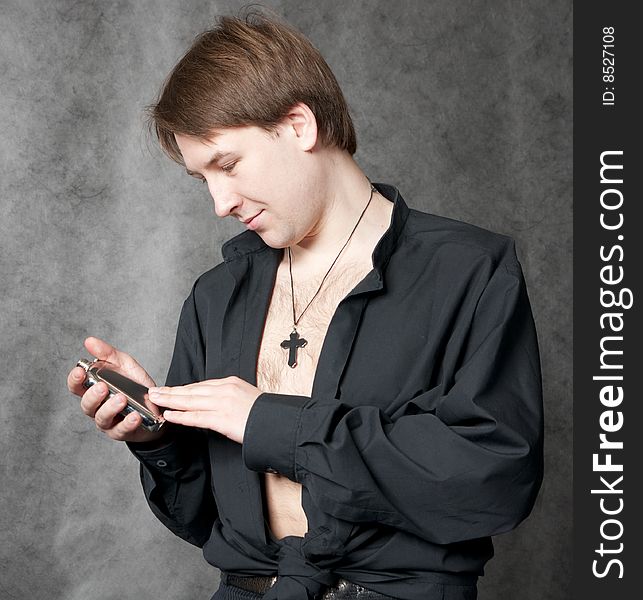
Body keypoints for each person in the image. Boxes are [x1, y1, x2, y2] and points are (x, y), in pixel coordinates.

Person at [67, 10, 544, 600]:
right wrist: (158, 438)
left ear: (298, 125)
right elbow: (204, 519)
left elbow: (493, 483)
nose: (220, 202)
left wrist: (269, 422)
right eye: (202, 179)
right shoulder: (216, 295)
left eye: (227, 164)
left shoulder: (470, 270)